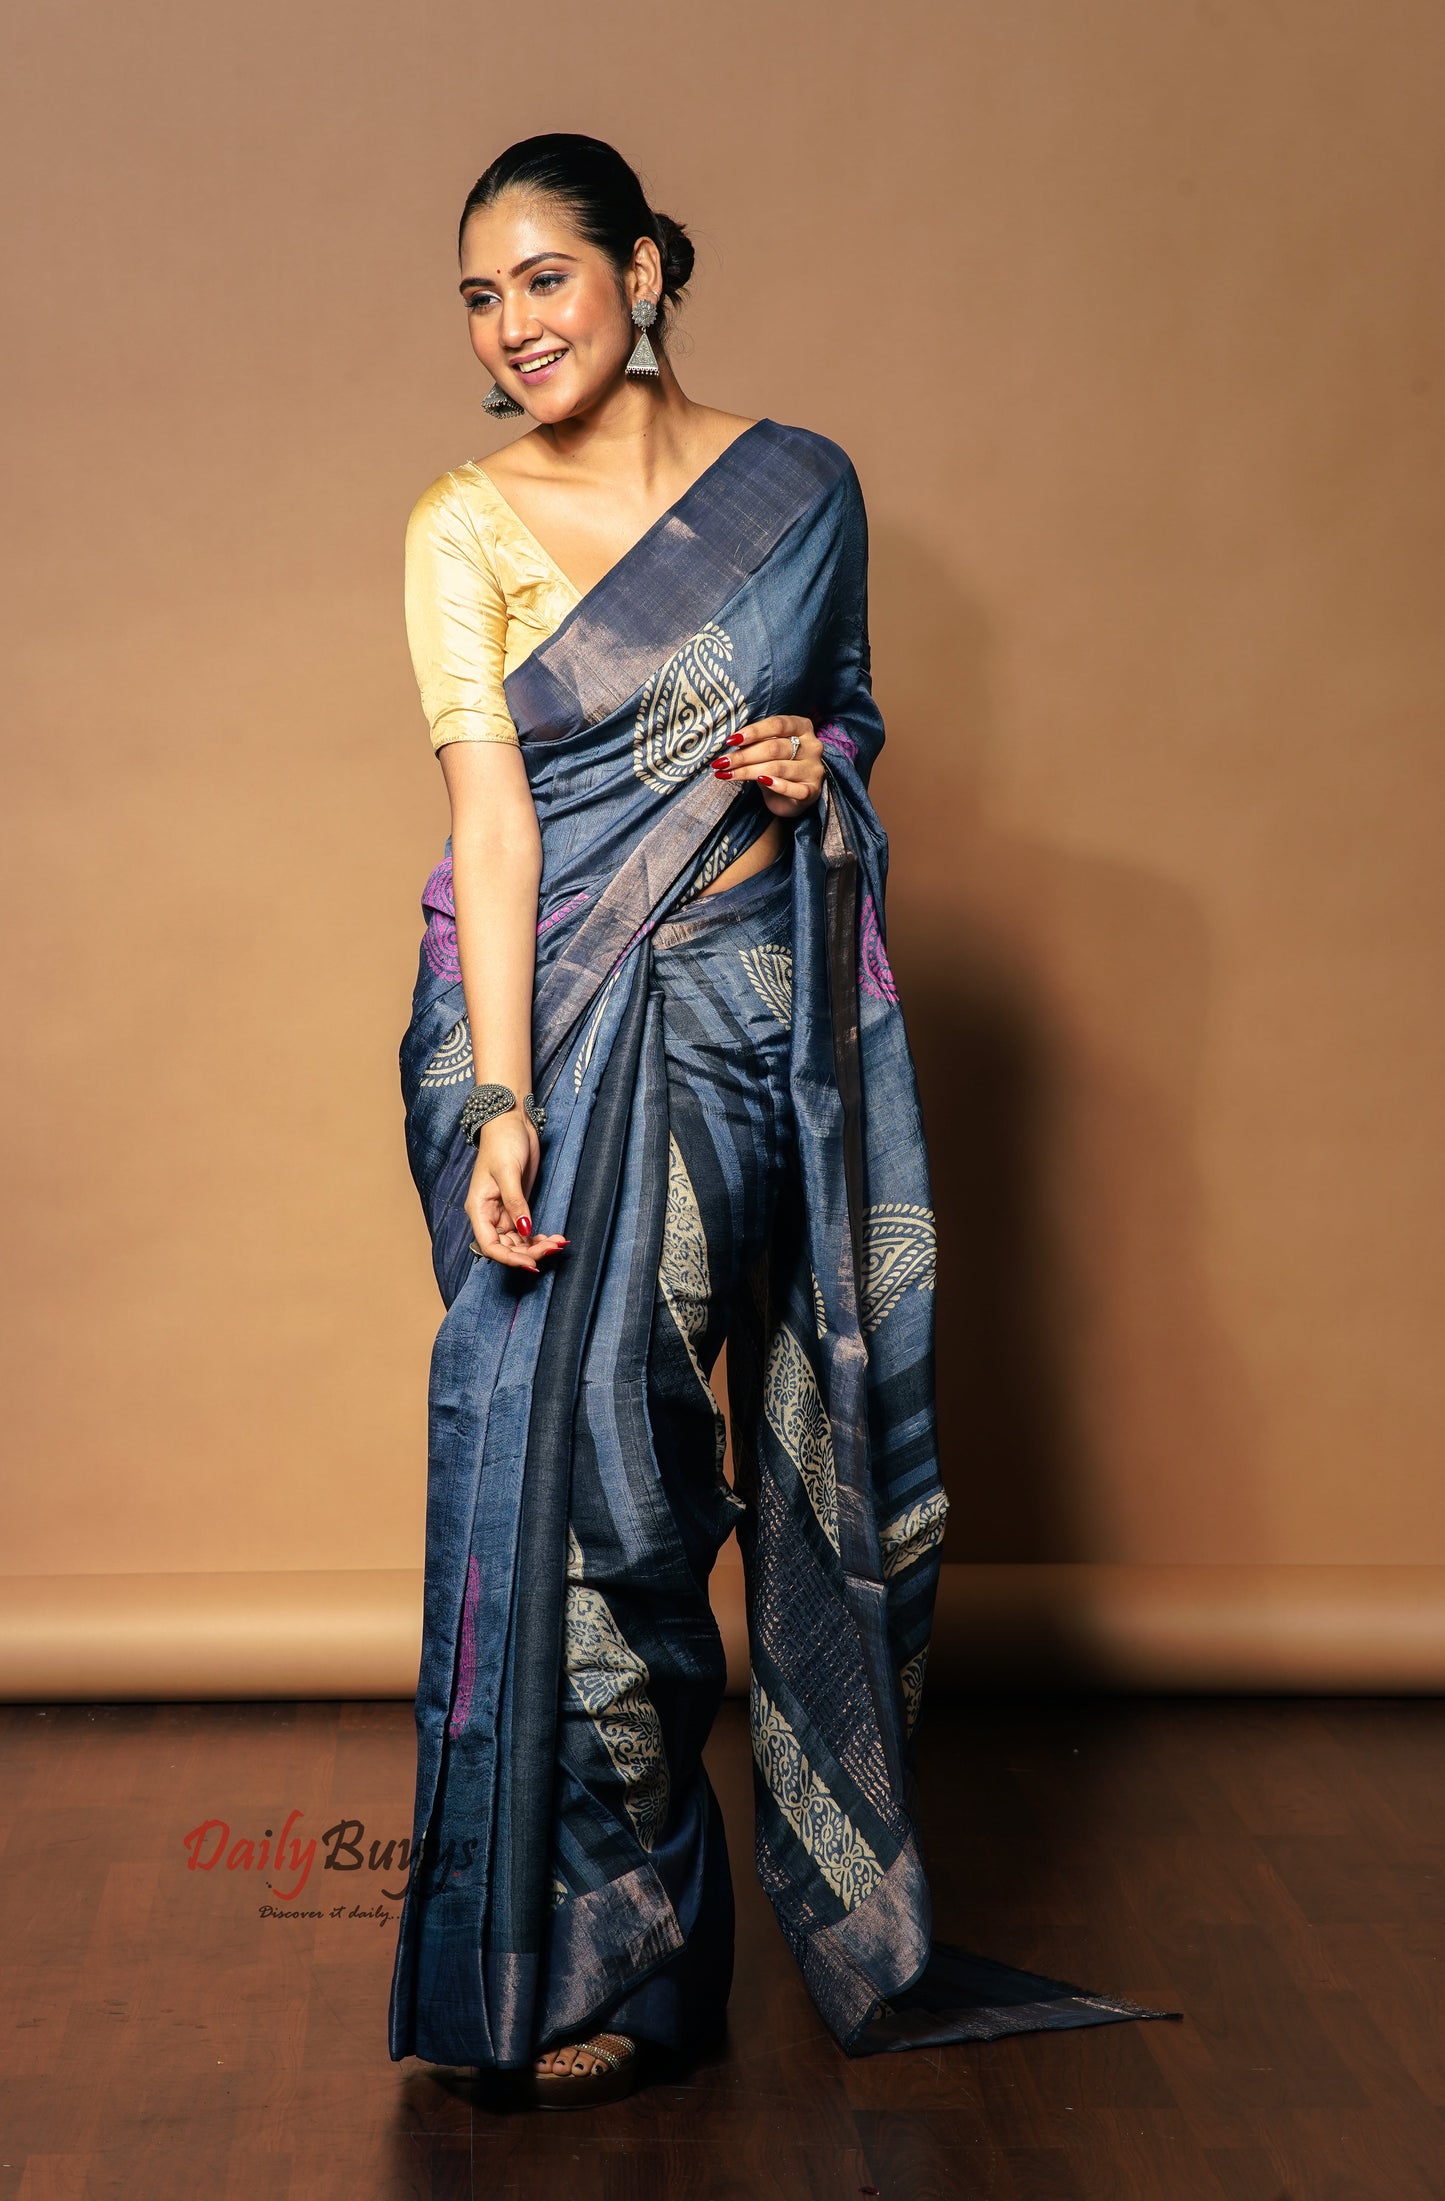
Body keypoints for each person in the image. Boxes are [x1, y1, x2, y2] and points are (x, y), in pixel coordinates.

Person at [388, 133, 1169, 2108]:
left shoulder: (801, 491)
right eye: (480, 296)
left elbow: (851, 720)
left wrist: (820, 760)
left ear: (645, 271)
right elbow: (492, 826)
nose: (512, 326)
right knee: (604, 1488)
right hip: (572, 1026)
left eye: (546, 277)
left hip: (764, 1018)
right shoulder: (461, 523)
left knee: (790, 1449)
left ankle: (820, 1892)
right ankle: (604, 1957)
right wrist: (500, 1095)